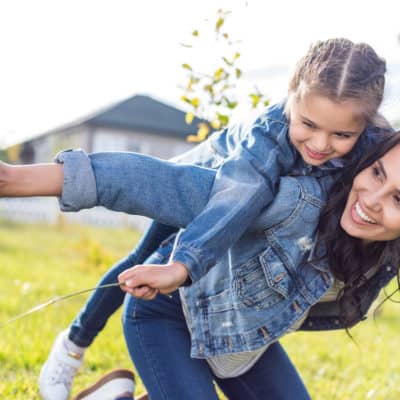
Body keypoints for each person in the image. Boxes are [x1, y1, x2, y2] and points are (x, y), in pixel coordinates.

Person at [0, 37, 390, 399]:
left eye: (341, 135)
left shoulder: (374, 152)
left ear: (365, 126)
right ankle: (73, 345)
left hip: (232, 265)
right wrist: (185, 264)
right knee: (144, 261)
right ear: (291, 98)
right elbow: (234, 196)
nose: (321, 144)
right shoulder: (267, 143)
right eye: (307, 124)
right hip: (199, 185)